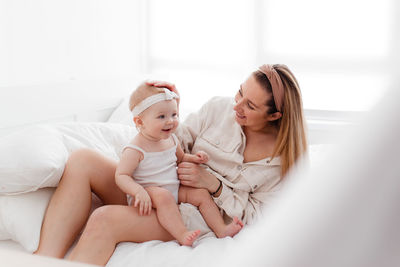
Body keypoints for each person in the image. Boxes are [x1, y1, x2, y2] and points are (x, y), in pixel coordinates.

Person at [34, 64, 308, 266]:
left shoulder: (283, 163)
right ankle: (42, 260)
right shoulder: (217, 109)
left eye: (249, 106)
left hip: (188, 212)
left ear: (275, 115)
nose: (237, 105)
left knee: (104, 220)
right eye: (239, 93)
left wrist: (213, 185)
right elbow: (178, 143)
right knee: (83, 160)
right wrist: (168, 110)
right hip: (154, 183)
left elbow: (258, 218)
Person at [115, 82, 243, 246]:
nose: (170, 121)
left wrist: (196, 158)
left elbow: (181, 158)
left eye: (174, 115)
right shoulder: (135, 149)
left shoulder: (171, 139)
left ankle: (221, 229)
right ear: (140, 122)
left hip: (174, 188)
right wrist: (138, 191)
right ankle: (182, 234)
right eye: (162, 117)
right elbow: (121, 175)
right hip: (149, 193)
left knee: (201, 194)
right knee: (163, 196)